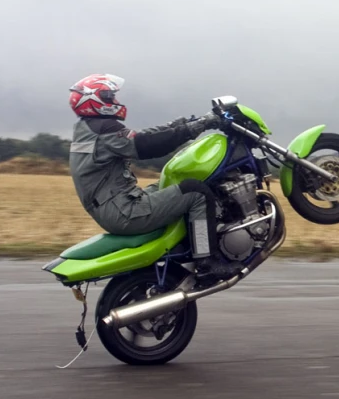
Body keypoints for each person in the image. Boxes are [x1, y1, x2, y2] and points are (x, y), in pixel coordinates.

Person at [67, 73, 234, 279]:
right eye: (111, 97)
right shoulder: (104, 130)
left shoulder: (91, 129)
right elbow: (148, 145)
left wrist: (186, 122)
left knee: (170, 183)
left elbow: (143, 136)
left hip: (115, 207)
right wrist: (198, 126)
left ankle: (188, 246)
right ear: (95, 100)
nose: (116, 101)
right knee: (196, 192)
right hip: (123, 211)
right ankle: (207, 262)